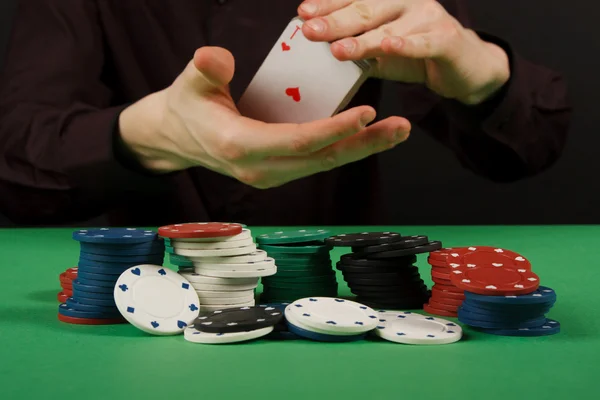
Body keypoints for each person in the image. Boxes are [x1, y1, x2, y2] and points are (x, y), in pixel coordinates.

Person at [0, 0, 571, 226]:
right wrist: (146, 137)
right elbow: (15, 160)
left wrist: (479, 68)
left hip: (332, 302)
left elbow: (530, 144)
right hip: (133, 296)